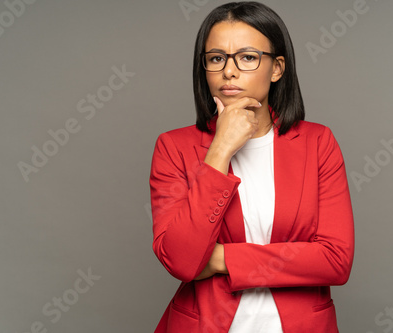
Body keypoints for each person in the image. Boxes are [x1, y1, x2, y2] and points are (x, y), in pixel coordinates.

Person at [149, 2, 354, 332]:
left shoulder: (318, 143)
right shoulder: (174, 147)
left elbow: (335, 260)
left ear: (276, 68)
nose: (228, 71)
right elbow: (182, 260)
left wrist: (220, 259)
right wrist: (220, 150)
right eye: (216, 58)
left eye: (247, 57)